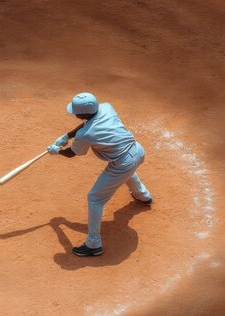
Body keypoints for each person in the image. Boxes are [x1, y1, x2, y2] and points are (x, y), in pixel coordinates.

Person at [47, 92, 153, 257]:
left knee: (95, 198)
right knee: (126, 173)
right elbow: (87, 123)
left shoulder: (85, 135)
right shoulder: (106, 107)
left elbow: (72, 153)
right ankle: (143, 196)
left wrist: (57, 151)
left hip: (123, 163)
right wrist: (67, 136)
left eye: (76, 112)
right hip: (137, 151)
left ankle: (93, 244)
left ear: (83, 113)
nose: (74, 114)